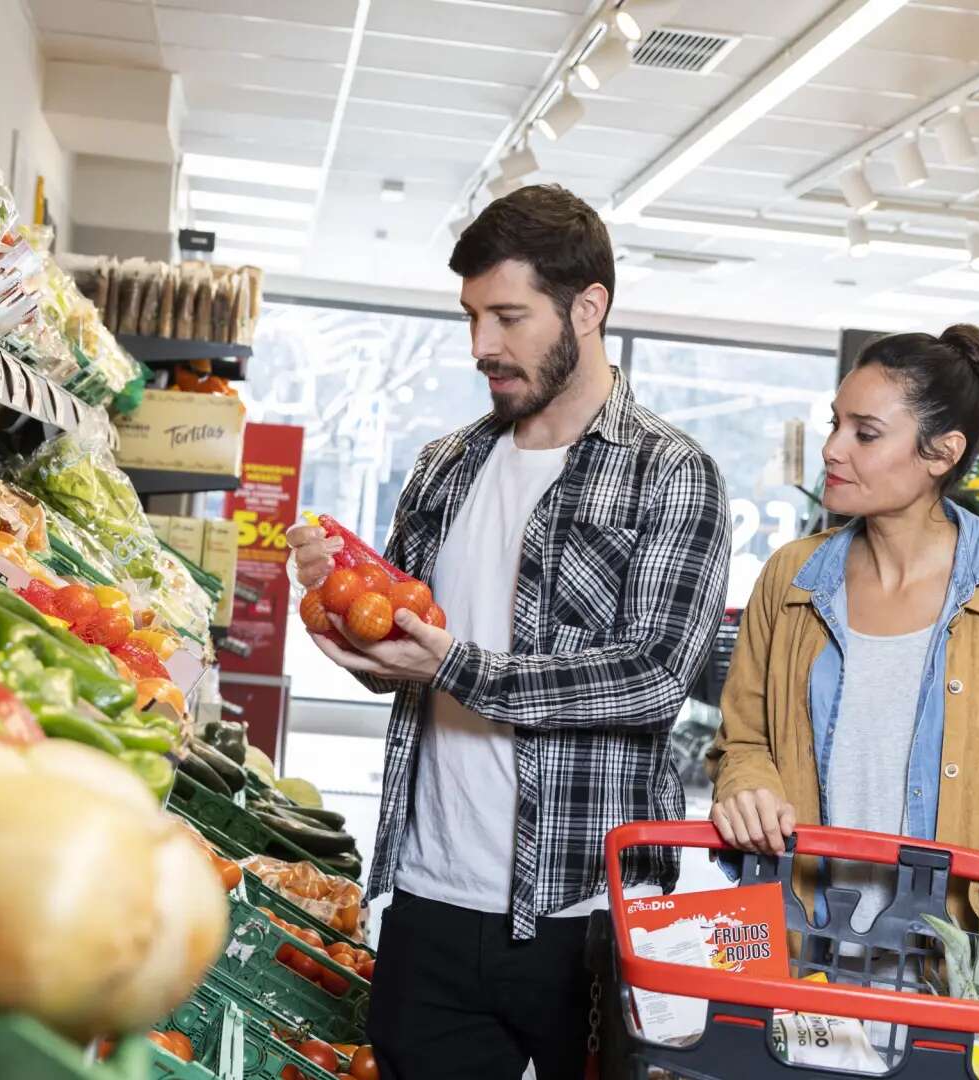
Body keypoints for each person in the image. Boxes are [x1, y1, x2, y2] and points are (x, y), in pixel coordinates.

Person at [284, 184, 730, 1080]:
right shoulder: (446, 465)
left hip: (588, 915)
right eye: (472, 316)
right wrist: (346, 622)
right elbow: (410, 659)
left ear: (589, 307)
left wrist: (458, 664)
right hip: (430, 897)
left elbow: (650, 678)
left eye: (509, 316)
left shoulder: (671, 473)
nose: (482, 345)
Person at [707, 325, 979, 1064]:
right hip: (805, 969)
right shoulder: (792, 580)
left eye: (865, 433)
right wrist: (749, 785)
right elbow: (742, 742)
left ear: (942, 453)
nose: (834, 448)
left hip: (953, 993)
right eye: (836, 422)